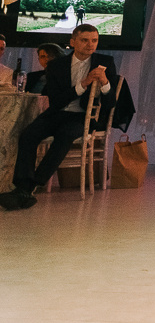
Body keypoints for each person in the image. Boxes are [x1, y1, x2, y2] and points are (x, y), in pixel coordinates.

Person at [1, 24, 118, 211]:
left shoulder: (105, 62)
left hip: (81, 117)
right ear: (73, 42)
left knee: (64, 136)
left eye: (94, 40)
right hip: (56, 112)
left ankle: (29, 187)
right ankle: (23, 185)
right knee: (28, 135)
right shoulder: (57, 65)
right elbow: (56, 100)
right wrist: (83, 84)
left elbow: (111, 103)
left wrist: (104, 82)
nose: (90, 45)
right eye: (85, 40)